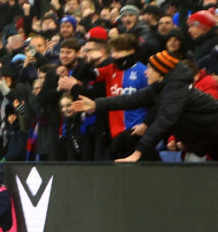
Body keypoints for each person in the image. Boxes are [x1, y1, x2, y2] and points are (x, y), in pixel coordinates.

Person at [72, 51, 218, 161]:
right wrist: (96, 104)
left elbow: (165, 120)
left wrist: (138, 152)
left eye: (149, 69)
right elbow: (130, 99)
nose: (146, 72)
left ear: (160, 72)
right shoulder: (161, 88)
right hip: (206, 141)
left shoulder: (175, 89)